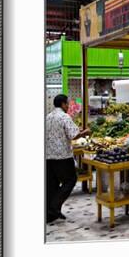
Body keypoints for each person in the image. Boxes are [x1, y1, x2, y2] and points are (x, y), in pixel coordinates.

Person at [45, 94, 90, 223]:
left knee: (52, 185)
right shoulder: (64, 117)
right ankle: (54, 207)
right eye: (67, 103)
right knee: (70, 180)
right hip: (62, 156)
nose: (69, 106)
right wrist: (85, 132)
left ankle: (50, 214)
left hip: (48, 156)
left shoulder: (48, 117)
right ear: (63, 104)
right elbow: (74, 135)